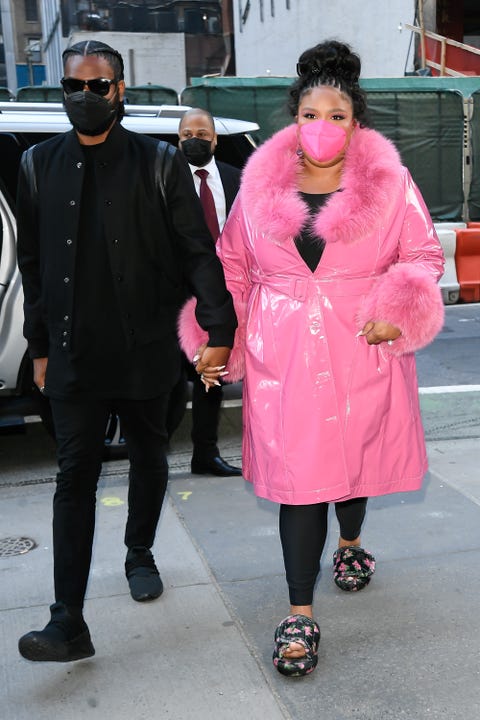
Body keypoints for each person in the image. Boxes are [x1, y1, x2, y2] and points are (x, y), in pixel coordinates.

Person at [178, 40, 445, 677]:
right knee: (301, 486)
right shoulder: (258, 187)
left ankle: (350, 540)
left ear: (357, 124)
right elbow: (234, 269)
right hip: (285, 357)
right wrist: (218, 336)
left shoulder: (391, 183)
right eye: (309, 115)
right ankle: (299, 613)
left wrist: (399, 306)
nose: (321, 127)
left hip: (363, 346)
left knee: (352, 471)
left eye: (337, 116)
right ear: (291, 119)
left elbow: (423, 257)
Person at [16, 40, 237, 663]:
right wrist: (39, 346)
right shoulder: (37, 165)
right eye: (72, 87)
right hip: (73, 352)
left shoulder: (159, 163)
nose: (84, 98)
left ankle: (139, 551)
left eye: (97, 87)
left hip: (147, 347)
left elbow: (198, 252)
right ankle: (68, 620)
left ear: (120, 92)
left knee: (147, 454)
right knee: (73, 477)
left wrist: (218, 332)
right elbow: (33, 266)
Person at [174, 107, 242, 477]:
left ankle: (205, 453)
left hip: (221, 294)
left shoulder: (237, 179)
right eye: (187, 135)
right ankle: (151, 458)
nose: (194, 140)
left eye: (201, 134)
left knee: (211, 376)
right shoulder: (167, 179)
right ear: (177, 139)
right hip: (176, 295)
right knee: (170, 381)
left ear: (214, 139)